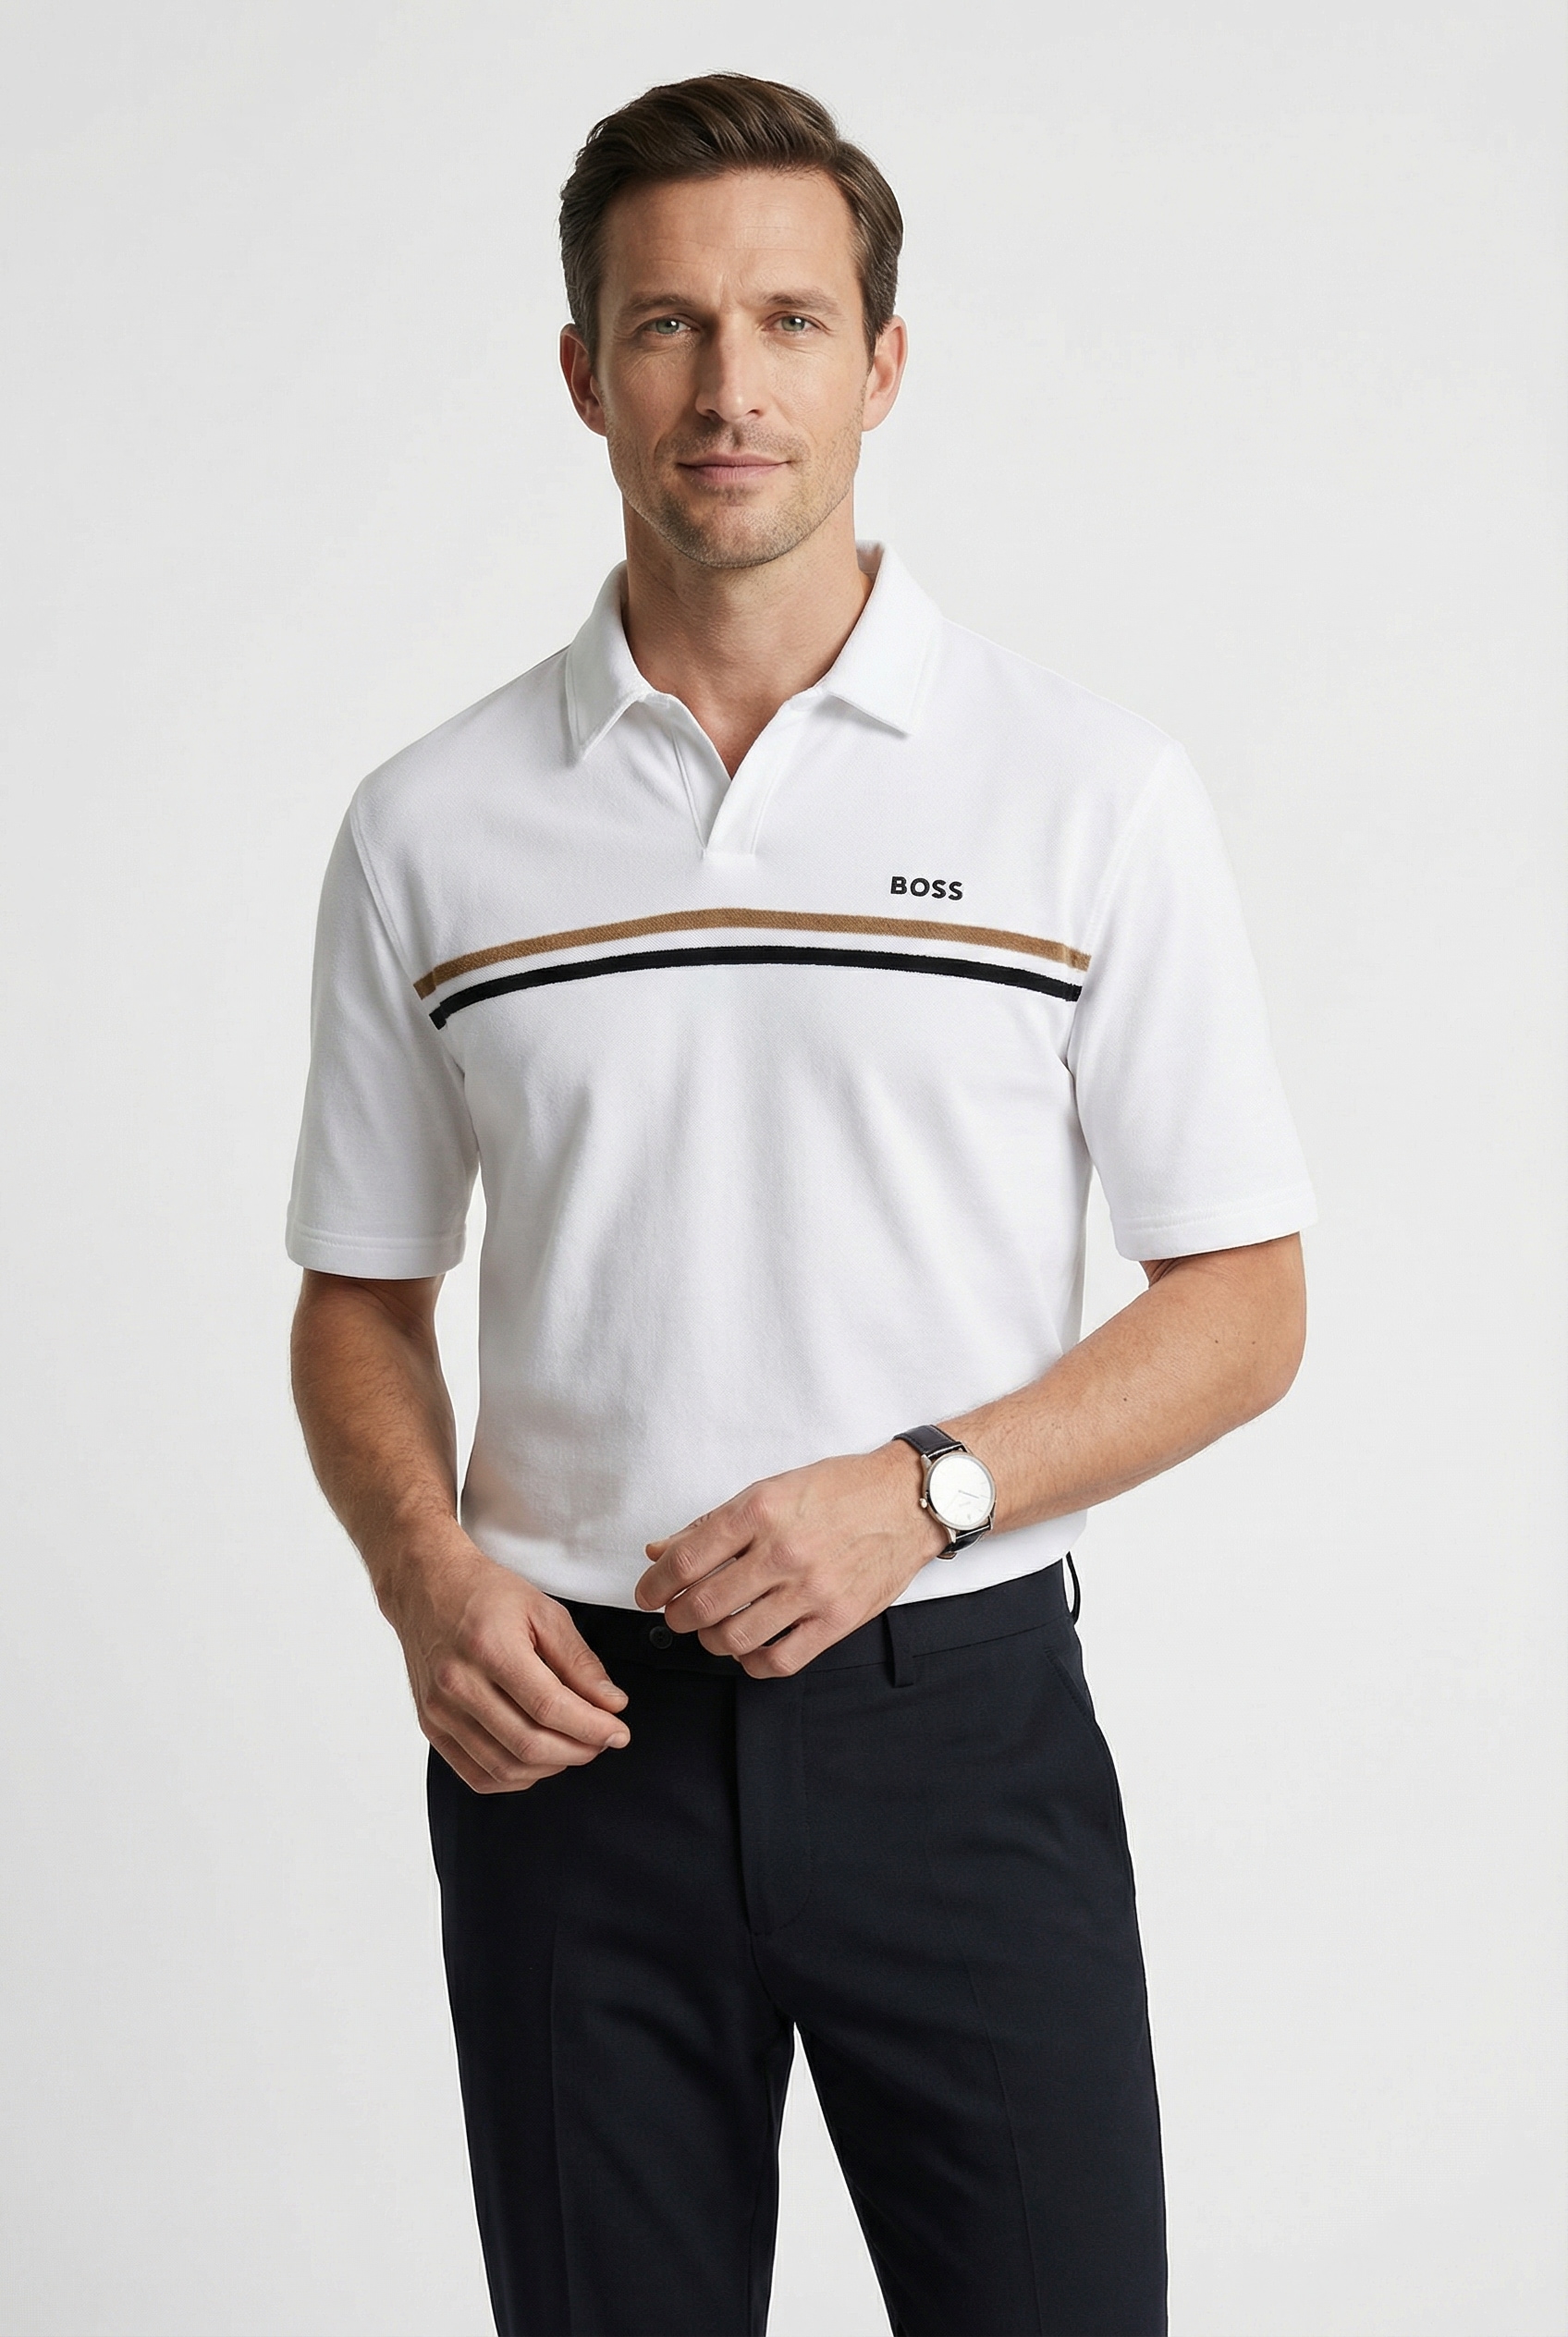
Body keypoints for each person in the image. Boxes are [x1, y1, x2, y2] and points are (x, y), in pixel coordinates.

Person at [288, 71, 1314, 2337]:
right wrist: (422, 1575)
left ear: (882, 363)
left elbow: (1244, 1294)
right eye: (665, 325)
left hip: (957, 1734)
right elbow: (358, 1294)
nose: (727, 388)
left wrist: (921, 1489)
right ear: (584, 374)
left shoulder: (1086, 790)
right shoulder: (431, 823)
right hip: (569, 1748)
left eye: (786, 321)